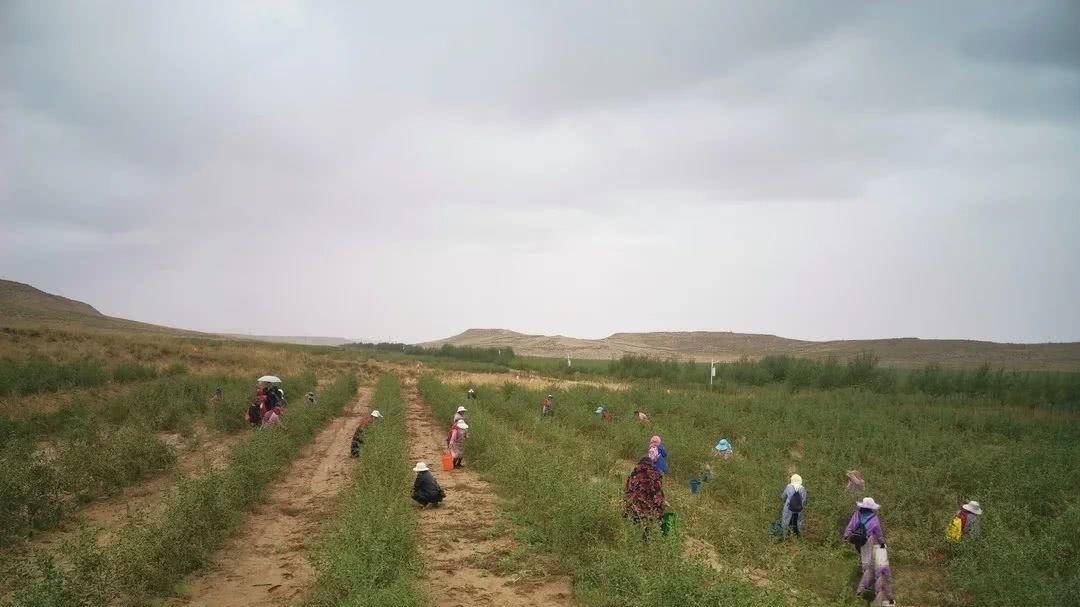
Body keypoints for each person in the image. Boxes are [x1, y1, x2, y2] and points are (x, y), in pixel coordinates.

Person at [844, 497, 894, 605]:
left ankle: (862, 578)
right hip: (867, 541)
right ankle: (867, 584)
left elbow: (850, 526)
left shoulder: (857, 514)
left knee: (862, 556)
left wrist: (846, 536)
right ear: (872, 508)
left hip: (856, 540)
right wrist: (882, 543)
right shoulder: (874, 518)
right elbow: (878, 532)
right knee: (868, 562)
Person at [624, 447, 666, 536]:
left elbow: (627, 490)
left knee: (633, 526)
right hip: (648, 511)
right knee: (651, 523)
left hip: (633, 507)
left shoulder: (633, 473)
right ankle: (646, 538)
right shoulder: (656, 474)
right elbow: (658, 495)